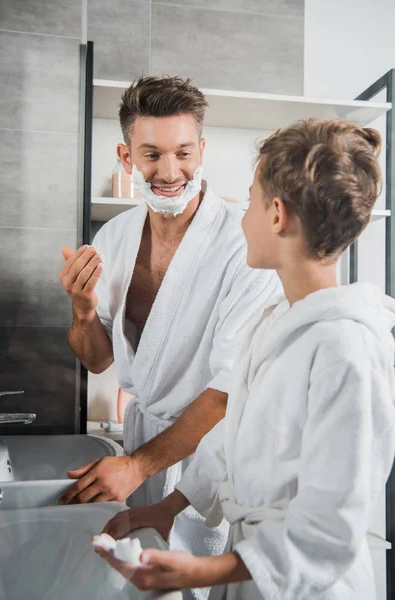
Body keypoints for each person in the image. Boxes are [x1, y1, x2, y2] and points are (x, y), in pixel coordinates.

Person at [96, 118, 395, 600]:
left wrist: (200, 572)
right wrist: (167, 507)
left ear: (276, 215)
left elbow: (331, 530)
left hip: (309, 587)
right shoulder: (276, 322)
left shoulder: (347, 351)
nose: (239, 218)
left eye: (250, 200)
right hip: (252, 566)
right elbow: (229, 441)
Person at [58, 76, 280, 596]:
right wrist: (84, 312)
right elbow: (95, 361)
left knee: (192, 585)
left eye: (183, 152)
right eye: (151, 154)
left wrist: (137, 465)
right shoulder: (113, 237)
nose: (169, 171)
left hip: (207, 453)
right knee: (137, 585)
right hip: (141, 443)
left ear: (201, 149)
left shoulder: (240, 244)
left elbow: (229, 391)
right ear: (126, 154)